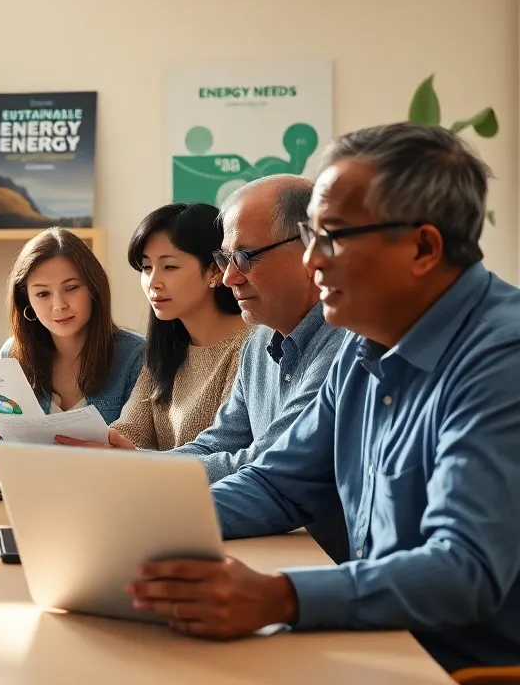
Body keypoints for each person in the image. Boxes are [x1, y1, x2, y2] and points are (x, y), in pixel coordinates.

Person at [125, 123, 520, 675]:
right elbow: (276, 483)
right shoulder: (364, 345)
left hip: (460, 670)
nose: (311, 262)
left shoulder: (501, 359)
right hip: (375, 644)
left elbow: (463, 570)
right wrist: (132, 522)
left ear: (423, 248)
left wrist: (281, 596)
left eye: (331, 238)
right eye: (309, 237)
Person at [64, 176, 350, 562]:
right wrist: (127, 467)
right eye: (225, 259)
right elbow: (217, 444)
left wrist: (139, 501)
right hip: (282, 552)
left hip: (329, 563)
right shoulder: (259, 345)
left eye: (246, 256)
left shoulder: (343, 345)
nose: (230, 277)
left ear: (310, 248)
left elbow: (267, 468)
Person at [0, 228, 145, 453]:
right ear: (26, 300)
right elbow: (8, 453)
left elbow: (142, 452)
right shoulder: (12, 355)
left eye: (71, 288)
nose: (59, 305)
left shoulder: (135, 355)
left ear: (94, 289)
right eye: (43, 294)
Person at [111, 203, 252, 450]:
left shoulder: (252, 345)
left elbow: (225, 452)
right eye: (146, 267)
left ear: (215, 270)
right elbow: (129, 432)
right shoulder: (165, 348)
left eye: (169, 267)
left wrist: (132, 456)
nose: (153, 282)